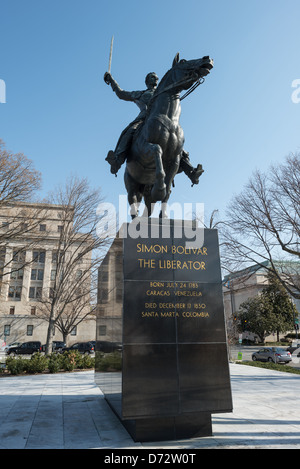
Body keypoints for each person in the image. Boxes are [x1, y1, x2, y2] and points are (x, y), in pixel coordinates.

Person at [104, 72, 203, 184]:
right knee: (129, 132)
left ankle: (191, 171)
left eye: (156, 77)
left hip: (163, 121)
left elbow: (180, 84)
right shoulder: (140, 94)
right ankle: (117, 161)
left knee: (177, 143)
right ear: (147, 81)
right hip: (143, 120)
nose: (155, 78)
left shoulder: (164, 90)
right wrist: (111, 80)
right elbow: (121, 94)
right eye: (152, 77)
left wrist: (195, 75)